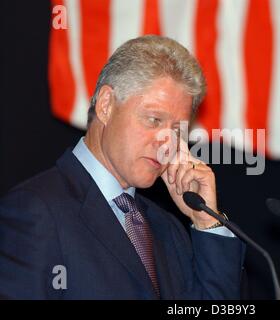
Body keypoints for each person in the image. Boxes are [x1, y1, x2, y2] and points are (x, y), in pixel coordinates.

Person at [0, 35, 246, 299]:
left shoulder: (168, 229)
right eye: (154, 120)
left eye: (177, 130)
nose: (168, 143)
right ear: (106, 105)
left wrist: (206, 221)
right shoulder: (35, 210)